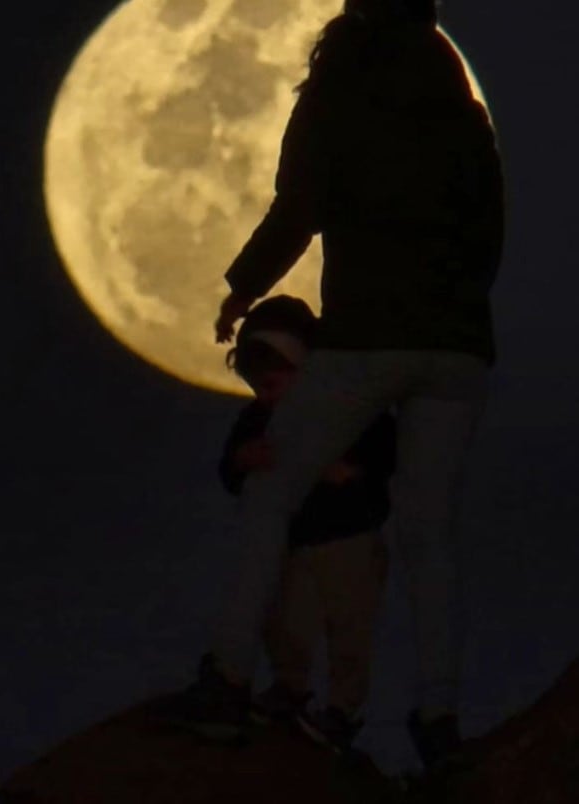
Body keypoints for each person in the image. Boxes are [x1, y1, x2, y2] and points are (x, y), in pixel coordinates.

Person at [168, 0, 505, 771]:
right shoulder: (463, 113)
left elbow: (299, 210)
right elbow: (491, 232)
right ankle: (438, 714)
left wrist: (240, 290)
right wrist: (453, 308)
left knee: (272, 489)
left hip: (365, 339)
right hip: (458, 349)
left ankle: (226, 679)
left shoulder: (336, 95)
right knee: (428, 537)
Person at [218, 295, 395, 754]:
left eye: (275, 372)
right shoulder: (257, 419)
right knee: (285, 622)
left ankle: (343, 711)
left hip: (350, 539)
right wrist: (244, 460)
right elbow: (231, 470)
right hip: (295, 543)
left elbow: (384, 449)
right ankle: (289, 690)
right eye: (255, 377)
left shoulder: (347, 407)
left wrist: (349, 469)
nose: (264, 386)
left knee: (350, 629)